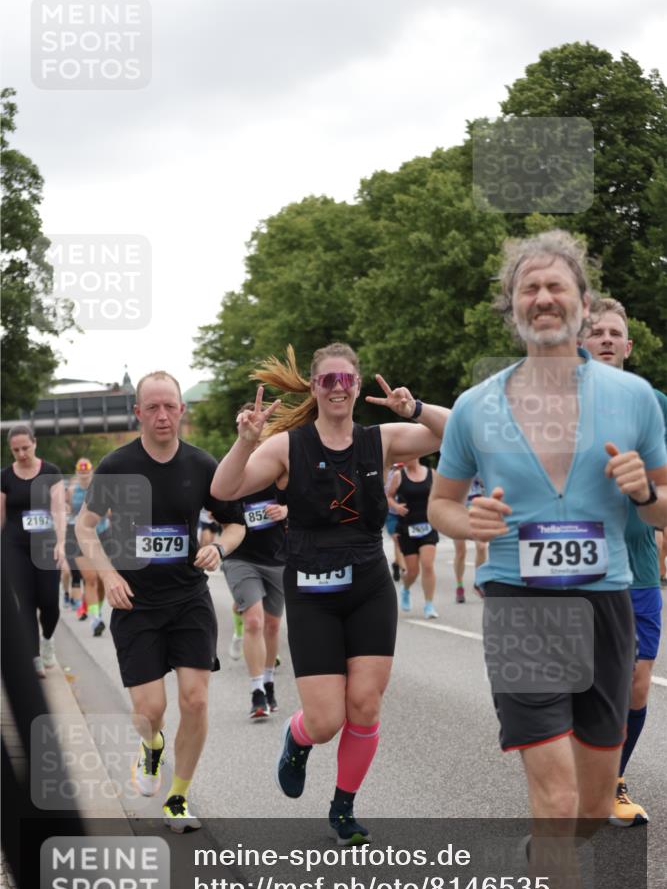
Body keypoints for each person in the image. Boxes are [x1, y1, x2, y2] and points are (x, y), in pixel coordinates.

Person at [428, 230, 667, 889]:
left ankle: (547, 852)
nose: (542, 298)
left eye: (554, 286)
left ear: (581, 302)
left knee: (590, 809)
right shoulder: (475, 407)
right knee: (557, 797)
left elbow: (663, 514)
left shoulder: (633, 399)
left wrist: (644, 493)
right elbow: (440, 503)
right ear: (513, 309)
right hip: (518, 602)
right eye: (528, 288)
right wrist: (470, 522)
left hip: (605, 603)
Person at [211, 343, 449, 844]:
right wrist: (245, 443)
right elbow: (225, 489)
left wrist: (417, 409)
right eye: (327, 380)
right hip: (311, 588)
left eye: (346, 379)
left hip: (367, 585)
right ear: (315, 388)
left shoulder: (380, 441)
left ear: (358, 386)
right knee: (325, 721)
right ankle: (297, 739)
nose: (338, 387)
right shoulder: (285, 447)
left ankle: (343, 807)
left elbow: (470, 434)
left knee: (364, 704)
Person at [76, 371, 238, 832]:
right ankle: (151, 748)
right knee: (149, 712)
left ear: (182, 410)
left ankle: (178, 797)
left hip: (189, 598)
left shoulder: (204, 465)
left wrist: (219, 547)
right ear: (139, 413)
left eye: (170, 406)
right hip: (136, 603)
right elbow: (85, 527)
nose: (163, 415)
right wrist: (107, 574)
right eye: (153, 408)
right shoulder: (116, 466)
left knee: (196, 701)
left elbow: (236, 524)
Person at [582, 296, 667, 826]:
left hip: (636, 567)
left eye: (616, 332)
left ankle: (611, 782)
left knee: (635, 683)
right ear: (580, 342)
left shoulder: (652, 402)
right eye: (598, 332)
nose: (607, 339)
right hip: (576, 569)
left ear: (629, 346)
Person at [217, 405, 288, 719]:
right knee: (255, 621)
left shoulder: (281, 466)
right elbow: (217, 507)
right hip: (241, 557)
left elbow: (307, 503)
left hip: (277, 557)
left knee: (272, 626)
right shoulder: (232, 468)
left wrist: (287, 512)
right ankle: (256, 690)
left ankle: (270, 682)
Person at [1, 425, 66, 677]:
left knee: (49, 602)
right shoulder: (5, 477)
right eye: (16, 450)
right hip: (14, 546)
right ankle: (34, 657)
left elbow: (58, 510)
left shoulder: (51, 472)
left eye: (25, 448)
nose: (21, 453)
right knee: (25, 602)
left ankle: (47, 640)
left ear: (34, 443)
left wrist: (61, 543)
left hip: (46, 545)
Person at [386, 457, 440, 619]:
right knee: (412, 572)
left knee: (428, 565)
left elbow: (440, 495)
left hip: (428, 525)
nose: (404, 460)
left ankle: (429, 605)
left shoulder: (432, 473)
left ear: (417, 455)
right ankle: (406, 588)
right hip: (407, 528)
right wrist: (395, 507)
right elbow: (388, 496)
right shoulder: (398, 476)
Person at [66, 457, 108, 636]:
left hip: (102, 535)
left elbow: (110, 511)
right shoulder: (71, 490)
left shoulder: (101, 489)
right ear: (77, 472)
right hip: (79, 537)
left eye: (87, 471)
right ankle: (96, 618)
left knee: (102, 581)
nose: (84, 474)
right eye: (80, 471)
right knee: (90, 578)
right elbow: (65, 510)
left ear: (92, 471)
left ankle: (96, 608)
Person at [452, 476, 488, 603]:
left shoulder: (482, 459)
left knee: (482, 547)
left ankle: (478, 582)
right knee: (461, 552)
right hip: (458, 509)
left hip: (478, 508)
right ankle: (459, 585)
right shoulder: (454, 460)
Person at [383, 462, 406, 582]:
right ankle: (404, 569)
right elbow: (386, 497)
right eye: (398, 467)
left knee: (401, 542)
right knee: (398, 540)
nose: (400, 469)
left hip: (405, 515)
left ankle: (397, 564)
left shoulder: (408, 475)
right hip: (391, 514)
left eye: (402, 466)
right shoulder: (388, 476)